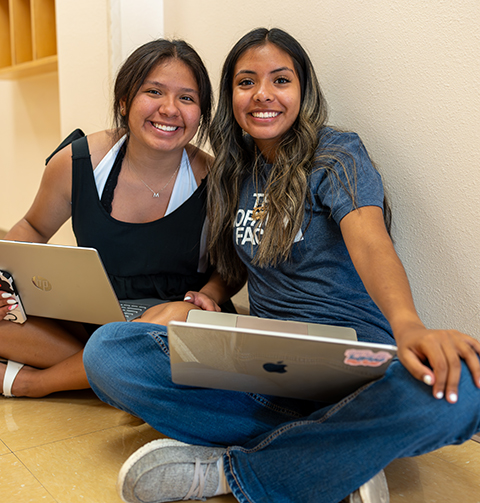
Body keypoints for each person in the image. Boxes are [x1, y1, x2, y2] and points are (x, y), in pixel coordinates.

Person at [83, 28, 480, 503]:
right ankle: (336, 456)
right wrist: (208, 295)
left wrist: (409, 325)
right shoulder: (235, 172)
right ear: (230, 97)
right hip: (268, 365)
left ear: (303, 91)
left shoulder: (335, 154)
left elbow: (371, 243)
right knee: (109, 352)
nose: (263, 95)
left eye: (281, 80)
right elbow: (238, 264)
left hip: (354, 363)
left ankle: (243, 471)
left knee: (467, 388)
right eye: (246, 82)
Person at [0, 38, 234, 399]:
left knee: (181, 320)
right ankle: (110, 374)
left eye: (187, 98)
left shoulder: (215, 178)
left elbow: (231, 266)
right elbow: (32, 227)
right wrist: (2, 280)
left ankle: (36, 382)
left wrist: (206, 295)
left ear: (200, 113)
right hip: (93, 314)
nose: (169, 109)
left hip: (167, 324)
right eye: (153, 91)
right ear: (124, 102)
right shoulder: (77, 162)